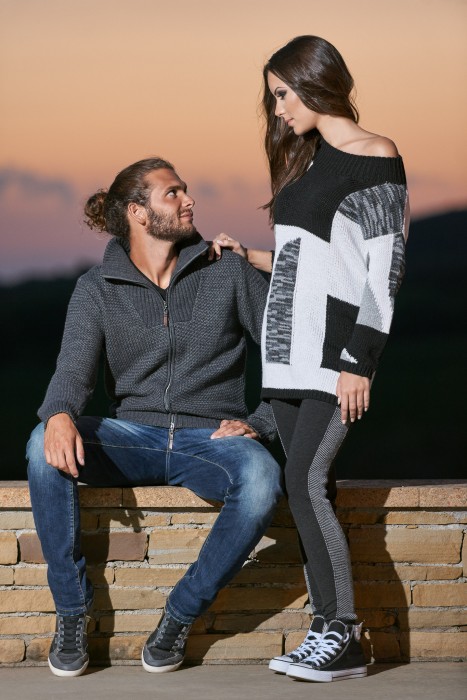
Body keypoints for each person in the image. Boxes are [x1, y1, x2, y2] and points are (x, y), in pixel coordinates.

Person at [26, 157, 283, 677]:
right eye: (173, 193)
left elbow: (286, 354)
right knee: (40, 444)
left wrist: (262, 420)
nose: (189, 200)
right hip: (133, 437)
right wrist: (57, 414)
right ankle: (72, 611)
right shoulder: (97, 287)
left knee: (261, 479)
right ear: (137, 212)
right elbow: (72, 372)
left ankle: (180, 614)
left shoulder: (228, 272)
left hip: (212, 438)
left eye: (186, 190)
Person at [214, 35, 409, 683]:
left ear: (314, 81)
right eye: (272, 98)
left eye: (282, 94)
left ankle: (342, 635)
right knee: (306, 490)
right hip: (285, 357)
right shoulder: (308, 163)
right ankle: (326, 629)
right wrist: (248, 255)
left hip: (333, 356)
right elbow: (309, 261)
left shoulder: (375, 156)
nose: (277, 110)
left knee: (303, 481)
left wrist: (360, 360)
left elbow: (382, 271)